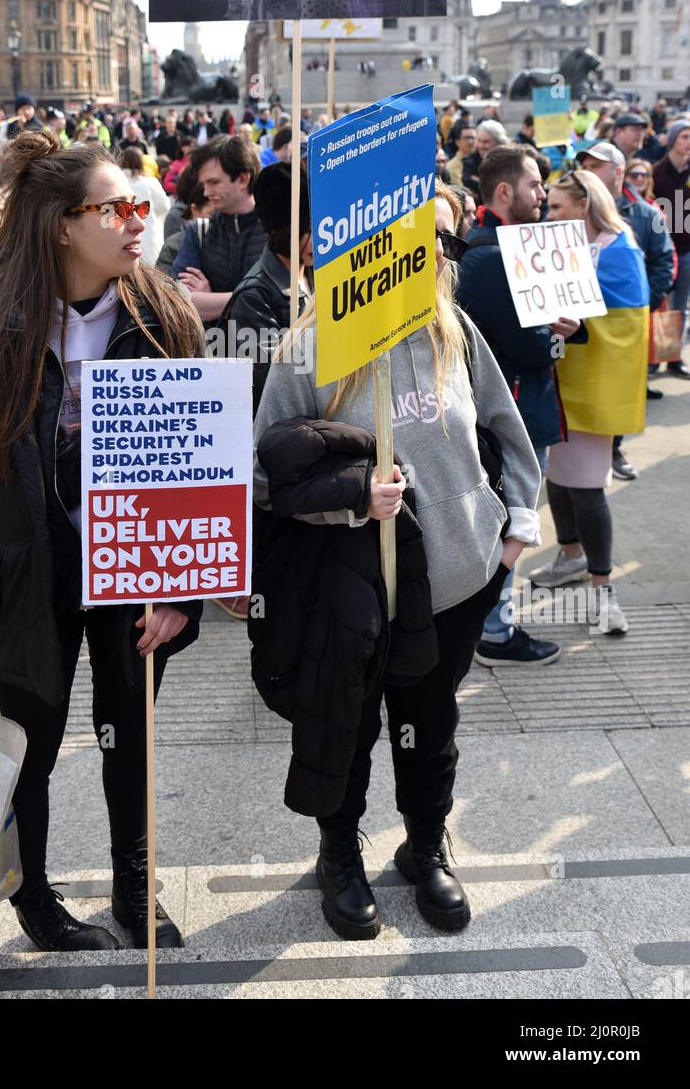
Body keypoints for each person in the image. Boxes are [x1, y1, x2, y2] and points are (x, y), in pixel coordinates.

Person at [0, 129, 205, 953]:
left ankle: (134, 889)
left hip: (133, 572)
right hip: (26, 575)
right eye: (113, 207)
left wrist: (180, 586)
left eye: (139, 205)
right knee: (31, 750)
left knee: (129, 737)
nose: (134, 220)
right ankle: (35, 901)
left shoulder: (162, 314)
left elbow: (193, 469)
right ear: (59, 223)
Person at [252, 180, 543, 938]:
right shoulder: (309, 347)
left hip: (453, 580)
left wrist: (515, 527)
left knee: (428, 721)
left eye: (431, 248)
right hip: (348, 590)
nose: (423, 262)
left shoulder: (452, 330)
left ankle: (424, 845)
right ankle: (339, 854)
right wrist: (348, 497)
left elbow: (508, 435)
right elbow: (266, 475)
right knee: (345, 726)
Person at [458, 146, 578, 666]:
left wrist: (564, 327)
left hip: (523, 408)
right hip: (516, 416)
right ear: (503, 192)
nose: (544, 194)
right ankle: (493, 631)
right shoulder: (488, 258)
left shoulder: (510, 247)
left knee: (512, 521)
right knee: (513, 521)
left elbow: (569, 329)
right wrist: (555, 334)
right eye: (534, 185)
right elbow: (529, 345)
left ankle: (489, 624)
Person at [530, 170, 650, 634]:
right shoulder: (574, 245)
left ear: (584, 204)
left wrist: (582, 329)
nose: (549, 214)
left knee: (585, 486)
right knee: (559, 480)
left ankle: (604, 591)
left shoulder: (620, 248)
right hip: (561, 382)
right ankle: (571, 555)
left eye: (557, 207)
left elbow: (629, 328)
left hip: (591, 387)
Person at [578, 139, 676, 439]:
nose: (588, 172)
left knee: (618, 389)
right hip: (582, 324)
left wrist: (643, 301)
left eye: (596, 166)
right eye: (585, 166)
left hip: (623, 325)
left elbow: (664, 261)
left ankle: (614, 447)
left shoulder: (648, 215)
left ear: (618, 171)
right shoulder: (574, 208)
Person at [224, 160, 311, 411]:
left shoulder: (318, 276)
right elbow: (272, 377)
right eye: (309, 228)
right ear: (284, 232)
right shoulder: (254, 296)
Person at [171, 136, 266, 322]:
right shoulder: (198, 232)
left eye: (214, 183)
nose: (206, 192)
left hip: (272, 348)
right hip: (214, 349)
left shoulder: (278, 231)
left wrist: (210, 299)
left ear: (243, 179)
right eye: (204, 184)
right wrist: (252, 298)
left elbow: (286, 298)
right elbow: (179, 301)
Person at [652, 120, 690, 379]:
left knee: (681, 307)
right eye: (685, 137)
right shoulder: (655, 171)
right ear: (674, 139)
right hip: (663, 250)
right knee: (659, 306)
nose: (689, 143)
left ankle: (674, 357)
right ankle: (655, 357)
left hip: (687, 249)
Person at [118, 146, 169, 264]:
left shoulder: (117, 183)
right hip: (149, 232)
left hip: (123, 235)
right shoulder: (150, 182)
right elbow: (164, 206)